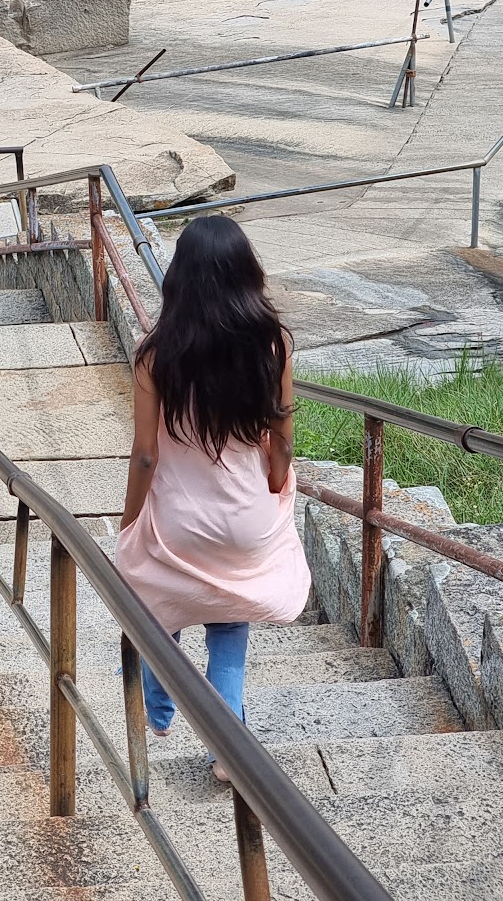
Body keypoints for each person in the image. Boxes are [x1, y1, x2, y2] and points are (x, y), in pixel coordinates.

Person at [115, 214, 311, 782]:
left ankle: (157, 701)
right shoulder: (272, 345)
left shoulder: (156, 355)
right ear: (247, 274)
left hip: (182, 523)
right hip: (246, 522)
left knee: (154, 587)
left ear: (180, 277)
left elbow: (146, 455)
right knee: (228, 635)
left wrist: (129, 527)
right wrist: (273, 484)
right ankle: (228, 754)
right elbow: (283, 438)